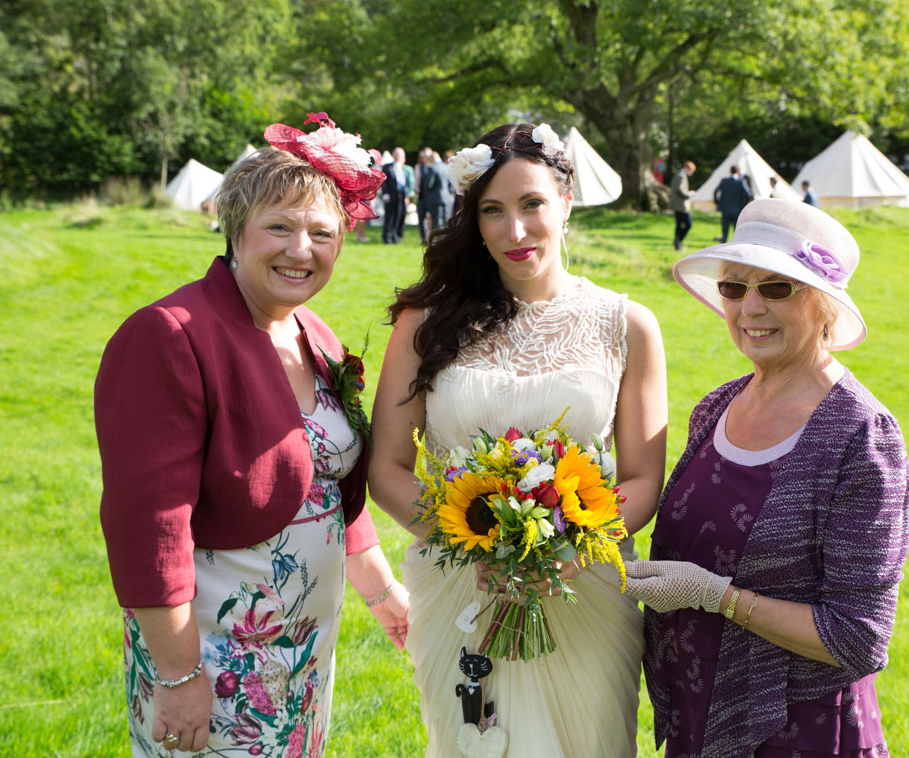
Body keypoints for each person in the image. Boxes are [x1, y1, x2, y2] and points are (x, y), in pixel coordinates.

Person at [96, 112, 410, 757]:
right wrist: (180, 676)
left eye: (323, 233)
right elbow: (148, 527)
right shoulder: (172, 333)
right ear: (236, 231)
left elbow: (329, 484)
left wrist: (383, 595)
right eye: (280, 227)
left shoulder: (313, 334)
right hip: (213, 655)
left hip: (299, 654)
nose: (303, 249)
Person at [369, 122, 668, 757]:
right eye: (492, 211)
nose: (515, 231)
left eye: (531, 204)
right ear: (472, 221)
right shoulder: (425, 323)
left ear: (565, 200)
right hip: (461, 587)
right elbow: (388, 466)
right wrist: (474, 547)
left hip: (584, 590)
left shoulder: (627, 325)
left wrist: (569, 551)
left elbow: (642, 479)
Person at [625, 199, 909, 757]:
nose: (750, 307)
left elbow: (859, 637)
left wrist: (719, 597)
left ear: (825, 305)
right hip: (698, 714)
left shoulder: (862, 437)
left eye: (777, 288)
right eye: (734, 288)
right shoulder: (717, 407)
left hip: (799, 732)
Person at [713, 164, 752, 243]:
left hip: (725, 209)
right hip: (737, 210)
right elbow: (749, 194)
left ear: (730, 171)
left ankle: (723, 244)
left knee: (725, 231)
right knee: (736, 231)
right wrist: (744, 204)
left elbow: (715, 192)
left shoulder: (724, 181)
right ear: (738, 172)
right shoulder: (741, 182)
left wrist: (718, 202)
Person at [381, 147, 408, 243]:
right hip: (390, 195)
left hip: (401, 195)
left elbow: (404, 183)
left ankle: (395, 236)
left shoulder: (402, 167)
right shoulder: (387, 166)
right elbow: (384, 182)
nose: (398, 156)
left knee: (399, 215)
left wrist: (406, 197)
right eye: (396, 154)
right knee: (389, 216)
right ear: (393, 155)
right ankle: (387, 237)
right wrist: (385, 194)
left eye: (400, 154)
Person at [671, 160, 696, 250]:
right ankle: (678, 241)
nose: (691, 173)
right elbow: (680, 191)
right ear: (687, 168)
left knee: (679, 224)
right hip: (681, 205)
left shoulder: (680, 175)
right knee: (688, 224)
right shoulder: (681, 176)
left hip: (678, 205)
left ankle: (677, 242)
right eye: (691, 171)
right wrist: (690, 194)